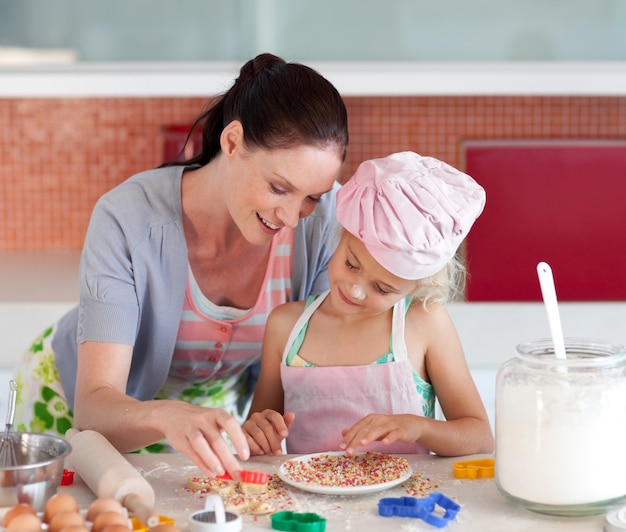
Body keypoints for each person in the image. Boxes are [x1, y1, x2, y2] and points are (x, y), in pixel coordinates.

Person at [11, 52, 349, 479]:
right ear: (232, 142)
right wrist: (168, 416)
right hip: (75, 409)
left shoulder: (322, 221)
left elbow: (308, 367)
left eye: (311, 196)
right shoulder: (128, 219)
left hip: (207, 419)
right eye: (278, 187)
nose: (290, 216)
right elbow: (96, 405)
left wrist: (269, 419)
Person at [242, 151, 494, 457]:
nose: (356, 291)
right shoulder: (286, 326)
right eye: (351, 263)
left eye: (383, 288)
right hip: (308, 503)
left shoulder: (424, 322)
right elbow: (257, 433)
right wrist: (257, 431)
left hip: (402, 504)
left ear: (415, 287)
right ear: (340, 235)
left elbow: (479, 437)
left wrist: (419, 427)